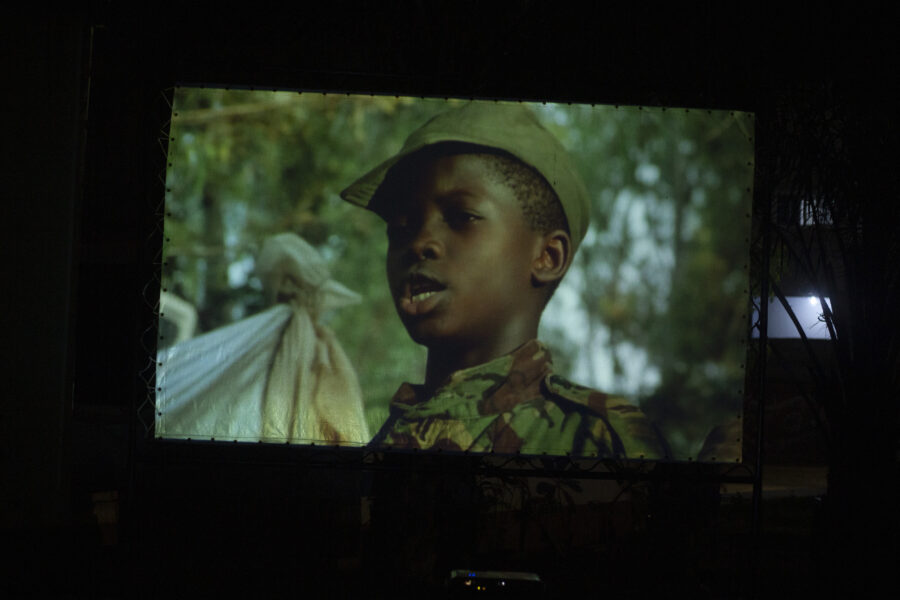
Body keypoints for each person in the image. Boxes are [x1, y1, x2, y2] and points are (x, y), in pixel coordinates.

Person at [341, 101, 668, 458]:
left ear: (548, 257)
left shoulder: (595, 441)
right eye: (402, 228)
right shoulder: (379, 440)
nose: (419, 243)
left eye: (461, 217)